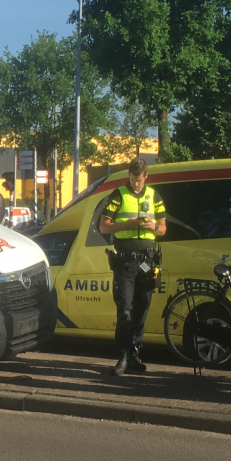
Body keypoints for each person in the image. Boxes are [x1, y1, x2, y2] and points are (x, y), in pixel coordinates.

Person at [99, 158, 167, 376]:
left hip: (147, 262)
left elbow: (163, 229)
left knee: (141, 308)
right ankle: (123, 356)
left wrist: (153, 226)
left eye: (139, 180)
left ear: (146, 176)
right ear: (128, 175)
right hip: (125, 262)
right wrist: (127, 224)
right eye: (132, 179)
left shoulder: (154, 196)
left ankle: (135, 353)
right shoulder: (118, 195)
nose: (136, 184)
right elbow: (104, 227)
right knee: (125, 310)